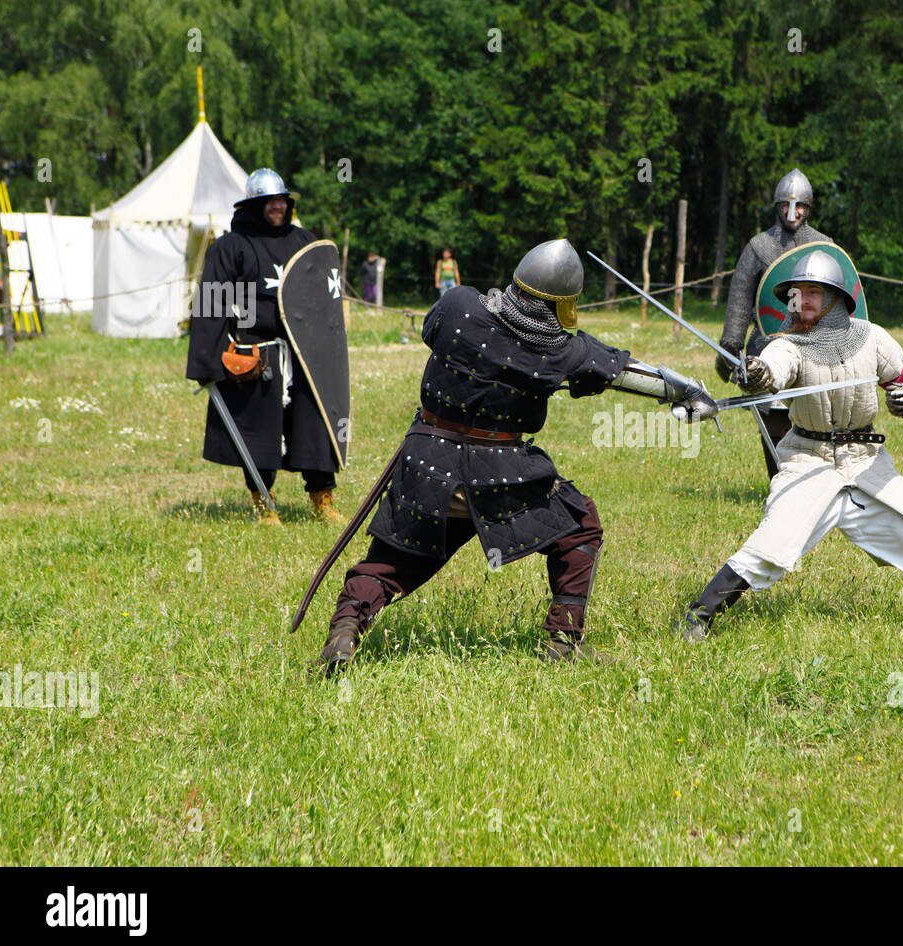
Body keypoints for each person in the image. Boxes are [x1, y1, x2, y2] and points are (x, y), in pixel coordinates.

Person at [312, 239, 716, 674]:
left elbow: (432, 331)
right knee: (582, 529)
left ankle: (346, 627)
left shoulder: (458, 304)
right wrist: (688, 390)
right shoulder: (561, 348)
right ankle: (564, 642)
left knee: (393, 561)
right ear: (562, 305)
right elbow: (625, 373)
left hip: (427, 463)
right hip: (499, 479)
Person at [680, 251, 903, 641]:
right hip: (808, 459)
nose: (802, 301)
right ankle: (698, 617)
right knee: (771, 544)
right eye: (797, 293)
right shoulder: (790, 345)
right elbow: (773, 369)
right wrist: (757, 373)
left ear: (836, 298)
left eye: (813, 292)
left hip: (866, 460)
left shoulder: (872, 337)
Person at [186, 168, 345, 526]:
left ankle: (323, 499)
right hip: (256, 351)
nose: (276, 207)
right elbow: (213, 302)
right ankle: (264, 502)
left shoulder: (305, 242)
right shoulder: (231, 247)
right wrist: (206, 360)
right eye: (268, 202)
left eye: (281, 201)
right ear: (254, 205)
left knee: (315, 425)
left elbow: (325, 297)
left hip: (303, 352)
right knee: (258, 432)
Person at [716, 168, 833, 479]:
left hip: (813, 345)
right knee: (774, 421)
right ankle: (779, 480)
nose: (792, 212)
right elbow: (741, 299)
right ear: (777, 206)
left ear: (808, 208)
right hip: (768, 344)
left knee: (812, 418)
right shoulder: (759, 246)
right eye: (785, 205)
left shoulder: (823, 245)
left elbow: (840, 297)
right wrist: (730, 343)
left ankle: (813, 482)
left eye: (799, 207)